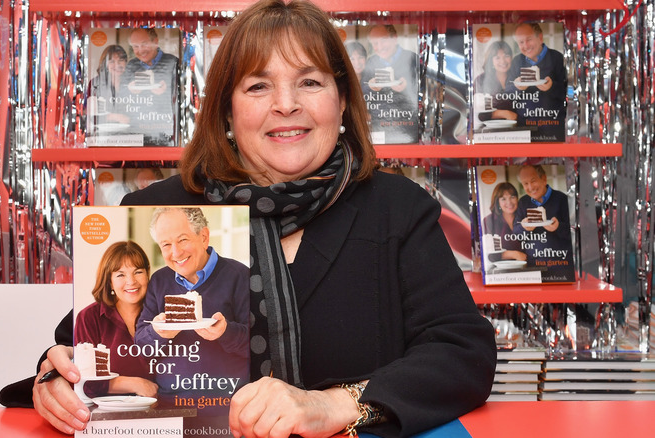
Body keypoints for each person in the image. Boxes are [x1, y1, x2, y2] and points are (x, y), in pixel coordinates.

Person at [32, 1, 496, 437]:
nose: (286, 104)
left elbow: (461, 352)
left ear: (341, 101)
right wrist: (55, 377)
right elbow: (80, 346)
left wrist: (338, 404)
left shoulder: (398, 208)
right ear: (227, 111)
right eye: (258, 86)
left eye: (310, 82)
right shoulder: (158, 210)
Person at [135, 207, 249, 415]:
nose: (176, 252)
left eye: (182, 240)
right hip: (169, 407)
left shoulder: (239, 276)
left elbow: (260, 345)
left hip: (226, 409)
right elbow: (141, 345)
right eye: (166, 244)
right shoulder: (159, 281)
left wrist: (225, 332)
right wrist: (158, 332)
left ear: (203, 236)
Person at [74, 241, 159, 398]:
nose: (131, 281)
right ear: (109, 281)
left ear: (147, 274)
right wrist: (136, 384)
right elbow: (85, 382)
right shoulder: (89, 318)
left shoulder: (161, 315)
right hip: (107, 414)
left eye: (138, 272)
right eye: (120, 274)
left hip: (164, 411)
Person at [358, 24, 419, 143]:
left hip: (407, 130)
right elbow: (360, 93)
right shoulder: (371, 62)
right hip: (378, 129)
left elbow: (426, 92)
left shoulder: (412, 59)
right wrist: (370, 87)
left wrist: (408, 87)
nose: (379, 47)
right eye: (375, 43)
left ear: (395, 38)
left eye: (383, 41)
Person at [512, 164, 574, 281]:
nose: (530, 187)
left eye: (533, 181)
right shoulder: (523, 202)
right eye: (525, 184)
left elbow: (574, 232)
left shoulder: (562, 199)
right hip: (532, 267)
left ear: (544, 178)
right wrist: (524, 227)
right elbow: (515, 232)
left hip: (560, 267)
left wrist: (558, 227)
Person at [119, 28, 179, 145]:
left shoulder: (173, 62)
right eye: (135, 46)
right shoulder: (131, 65)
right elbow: (119, 97)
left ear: (155, 42)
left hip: (166, 134)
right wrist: (130, 91)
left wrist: (167, 93)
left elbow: (184, 96)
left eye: (144, 44)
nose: (140, 50)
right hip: (135, 134)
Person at [508, 22, 566, 141]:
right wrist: (517, 88)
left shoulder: (557, 58)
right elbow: (506, 94)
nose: (526, 45)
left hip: (553, 129)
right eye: (521, 42)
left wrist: (552, 87)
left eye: (529, 39)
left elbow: (569, 93)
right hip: (523, 129)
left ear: (540, 37)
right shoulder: (516, 62)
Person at [87, 44, 131, 127]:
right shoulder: (95, 84)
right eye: (112, 61)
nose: (117, 65)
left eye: (121, 60)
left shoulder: (133, 83)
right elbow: (90, 116)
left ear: (125, 62)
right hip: (104, 134)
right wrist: (114, 117)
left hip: (131, 133)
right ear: (105, 64)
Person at [482, 182, 527, 262]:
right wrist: (515, 254)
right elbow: (490, 254)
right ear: (497, 202)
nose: (509, 202)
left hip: (530, 266)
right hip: (501, 270)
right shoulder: (489, 221)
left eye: (512, 197)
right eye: (503, 199)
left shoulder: (525, 217)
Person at [474, 41, 517, 123]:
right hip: (490, 130)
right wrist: (504, 113)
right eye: (497, 58)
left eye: (506, 56)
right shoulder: (481, 80)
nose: (503, 61)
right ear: (491, 61)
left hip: (520, 128)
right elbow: (479, 112)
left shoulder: (517, 77)